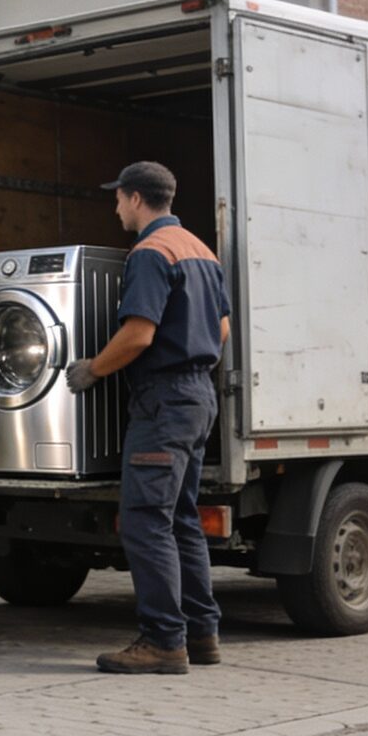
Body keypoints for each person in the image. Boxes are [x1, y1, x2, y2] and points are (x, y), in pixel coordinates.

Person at [66, 162, 231, 674]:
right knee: (181, 520)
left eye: (117, 198)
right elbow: (222, 331)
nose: (115, 207)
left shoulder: (149, 253)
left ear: (135, 198)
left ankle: (163, 641)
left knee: (144, 522)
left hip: (164, 402)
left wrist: (92, 369)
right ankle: (202, 635)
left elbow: (138, 334)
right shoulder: (199, 248)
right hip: (199, 396)